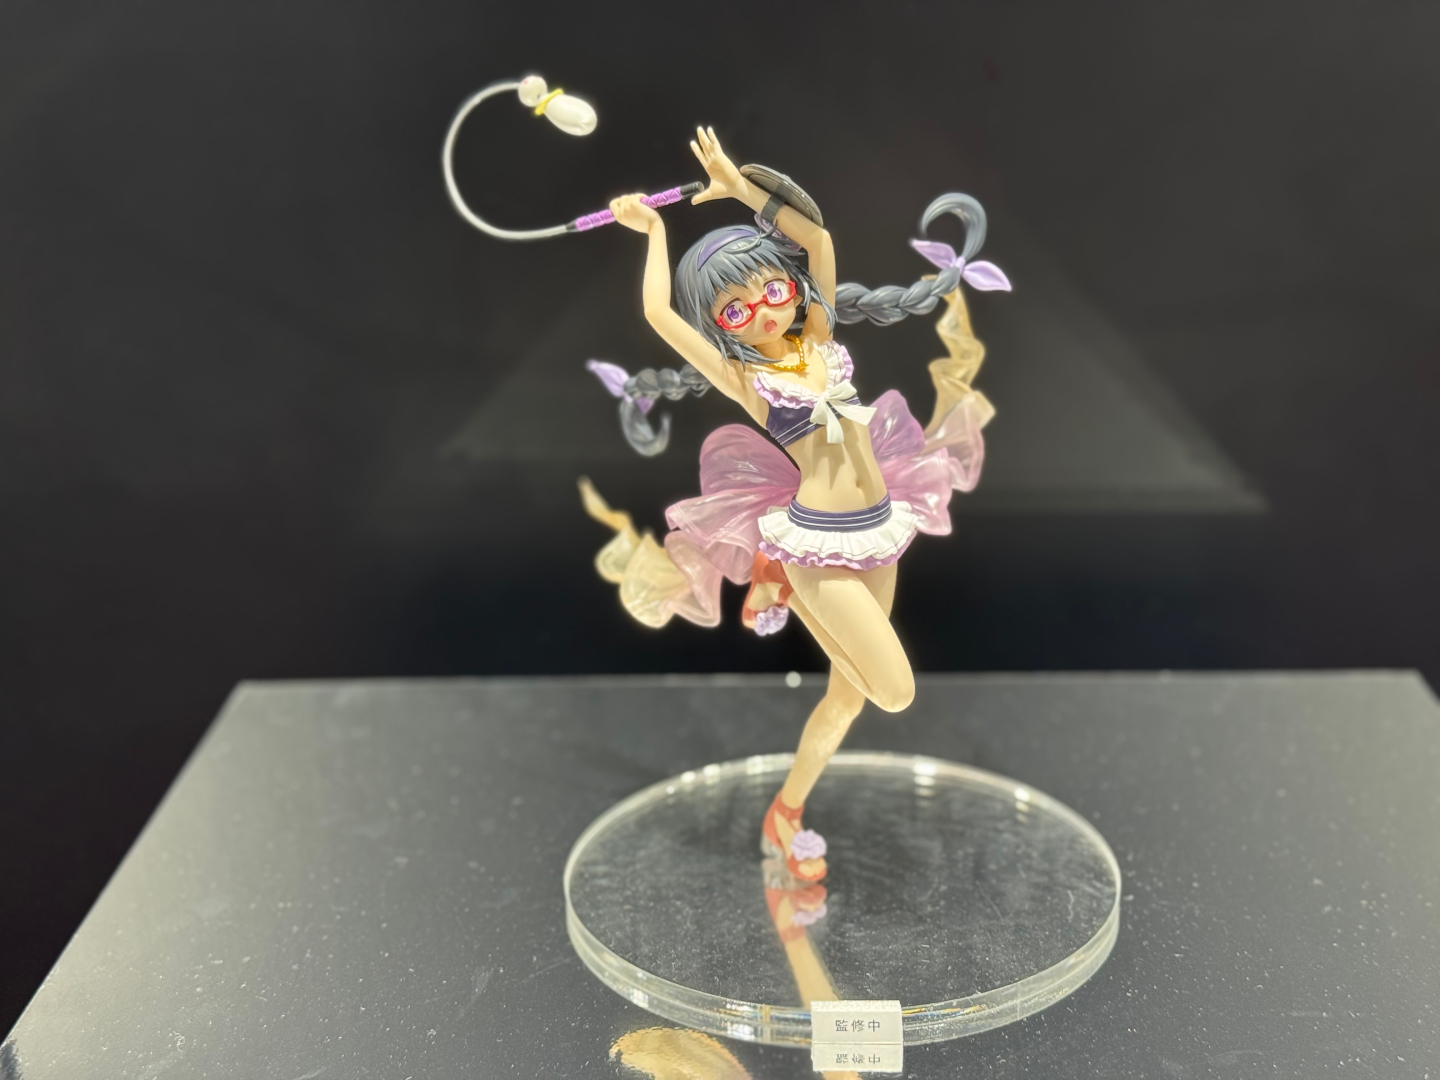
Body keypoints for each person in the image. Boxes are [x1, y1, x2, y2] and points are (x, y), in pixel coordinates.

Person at [583, 127, 1009, 882]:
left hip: (879, 527)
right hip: (819, 544)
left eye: (770, 290)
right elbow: (658, 315)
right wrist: (652, 232)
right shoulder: (746, 381)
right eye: (735, 310)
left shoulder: (818, 333)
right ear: (720, 327)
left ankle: (784, 814)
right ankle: (779, 574)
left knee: (846, 702)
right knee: (894, 692)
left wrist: (738, 188)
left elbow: (817, 238)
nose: (761, 311)